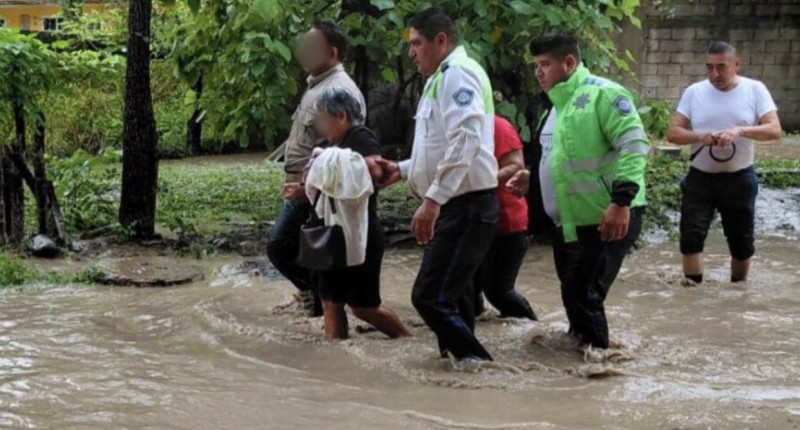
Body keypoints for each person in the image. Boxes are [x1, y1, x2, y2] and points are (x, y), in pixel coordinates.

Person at [507, 31, 649, 349]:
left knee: (585, 294)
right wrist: (533, 178)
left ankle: (600, 365)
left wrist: (621, 202)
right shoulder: (554, 107)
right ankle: (579, 355)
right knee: (572, 293)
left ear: (569, 63)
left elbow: (635, 146)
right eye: (535, 65)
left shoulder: (605, 94)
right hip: (569, 222)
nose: (538, 72)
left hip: (607, 216)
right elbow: (562, 160)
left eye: (545, 64)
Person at [377, 7, 499, 364]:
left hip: (466, 204)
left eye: (417, 43)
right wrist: (401, 169)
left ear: (440, 41)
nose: (411, 52)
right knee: (454, 297)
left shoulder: (457, 73)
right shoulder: (441, 77)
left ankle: (482, 368)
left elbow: (466, 139)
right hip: (460, 203)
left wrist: (432, 200)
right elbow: (442, 147)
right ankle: (459, 370)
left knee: (429, 296)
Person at [266, 20, 366, 317]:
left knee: (280, 245)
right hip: (306, 187)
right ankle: (320, 302)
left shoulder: (339, 90)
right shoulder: (317, 86)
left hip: (319, 190)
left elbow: (349, 152)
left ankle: (323, 298)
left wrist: (310, 188)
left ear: (332, 53)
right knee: (310, 248)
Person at [667, 41, 781, 284]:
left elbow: (774, 130)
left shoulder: (755, 89)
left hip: (739, 178)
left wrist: (739, 131)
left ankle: (738, 293)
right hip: (700, 179)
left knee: (741, 244)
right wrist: (701, 137)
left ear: (736, 65)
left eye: (721, 67)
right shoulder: (694, 91)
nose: (714, 74)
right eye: (709, 67)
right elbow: (673, 133)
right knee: (690, 240)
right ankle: (692, 294)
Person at [307, 87, 411, 339]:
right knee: (330, 302)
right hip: (332, 232)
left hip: (358, 233)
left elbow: (374, 174)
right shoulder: (336, 144)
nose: (319, 126)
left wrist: (327, 165)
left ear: (341, 115)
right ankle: (337, 356)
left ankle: (407, 340)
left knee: (364, 307)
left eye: (322, 118)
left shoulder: (361, 137)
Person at [473, 116, 537, 321]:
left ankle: (533, 329)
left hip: (506, 223)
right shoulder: (453, 126)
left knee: (498, 291)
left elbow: (516, 166)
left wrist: (472, 184)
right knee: (466, 287)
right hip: (473, 222)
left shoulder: (498, 126)